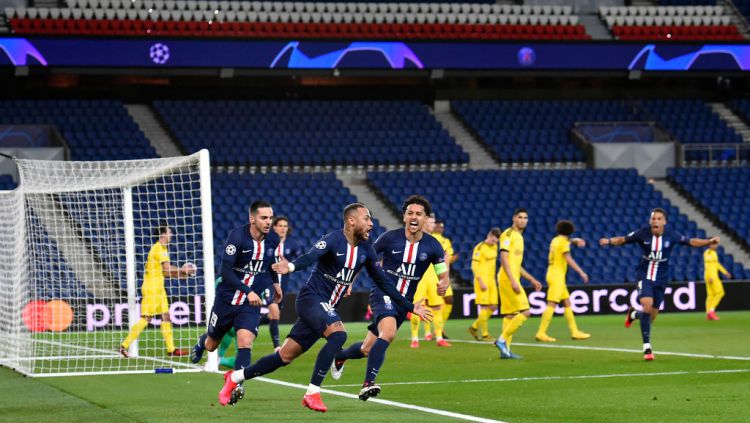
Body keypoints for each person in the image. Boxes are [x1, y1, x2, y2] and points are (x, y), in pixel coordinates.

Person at [218, 203, 431, 412]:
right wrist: (290, 266)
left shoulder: (366, 249)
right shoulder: (333, 239)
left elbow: (384, 283)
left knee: (284, 357)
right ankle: (312, 393)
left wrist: (410, 306)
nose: (371, 224)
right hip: (311, 298)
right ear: (351, 221)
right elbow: (309, 258)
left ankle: (235, 377)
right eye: (366, 219)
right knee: (339, 335)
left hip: (324, 307)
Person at [332, 196, 448, 399]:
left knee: (367, 348)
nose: (414, 217)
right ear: (404, 217)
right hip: (382, 293)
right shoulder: (389, 238)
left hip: (404, 302)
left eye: (418, 214)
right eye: (410, 213)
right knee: (389, 332)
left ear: (425, 218)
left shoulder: (433, 246)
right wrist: (349, 280)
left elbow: (442, 274)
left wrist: (443, 283)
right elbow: (363, 257)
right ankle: (368, 384)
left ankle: (340, 356)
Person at [190, 200, 282, 406]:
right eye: (264, 218)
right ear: (252, 219)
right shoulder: (237, 237)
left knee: (245, 341)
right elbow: (225, 272)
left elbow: (270, 265)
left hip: (250, 304)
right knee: (212, 345)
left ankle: (238, 384)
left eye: (270, 217)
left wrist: (276, 284)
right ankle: (202, 341)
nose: (269, 222)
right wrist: (247, 291)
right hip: (227, 299)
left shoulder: (273, 240)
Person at [599, 207, 719, 360]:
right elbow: (623, 239)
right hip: (645, 274)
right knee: (647, 306)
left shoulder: (672, 235)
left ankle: (633, 314)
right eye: (653, 218)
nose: (655, 221)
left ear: (664, 222)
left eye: (658, 218)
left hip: (662, 277)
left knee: (651, 316)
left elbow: (691, 242)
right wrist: (609, 241)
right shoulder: (642, 233)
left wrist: (708, 241)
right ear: (650, 221)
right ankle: (647, 349)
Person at [119, 223, 195, 358]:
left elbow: (165, 273)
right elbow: (166, 269)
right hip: (152, 288)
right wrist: (182, 270)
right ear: (163, 234)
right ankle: (124, 345)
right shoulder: (159, 249)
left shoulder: (162, 249)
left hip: (159, 288)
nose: (171, 235)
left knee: (166, 316)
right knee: (146, 319)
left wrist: (181, 274)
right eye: (169, 232)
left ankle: (171, 349)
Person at [494, 208, 542, 359]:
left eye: (525, 218)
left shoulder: (519, 237)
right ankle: (501, 341)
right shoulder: (507, 234)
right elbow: (504, 258)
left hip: (512, 276)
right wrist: (513, 280)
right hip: (507, 278)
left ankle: (505, 351)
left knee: (510, 315)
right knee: (525, 311)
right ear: (514, 218)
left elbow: (516, 264)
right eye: (520, 217)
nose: (523, 220)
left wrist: (531, 279)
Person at [536, 220, 591, 342]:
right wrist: (581, 272)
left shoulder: (556, 240)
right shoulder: (564, 243)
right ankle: (541, 332)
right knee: (552, 303)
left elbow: (565, 242)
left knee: (567, 302)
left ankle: (575, 331)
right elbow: (568, 258)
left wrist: (574, 240)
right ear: (570, 231)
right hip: (557, 276)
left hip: (552, 273)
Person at [258, 216, 302, 350]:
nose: (283, 228)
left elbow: (299, 261)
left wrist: (289, 264)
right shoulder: (266, 240)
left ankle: (252, 324)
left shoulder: (292, 243)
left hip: (284, 282)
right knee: (274, 311)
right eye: (280, 225)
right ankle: (277, 347)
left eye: (285, 226)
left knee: (273, 315)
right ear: (274, 227)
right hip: (268, 281)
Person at [409, 214, 449, 348]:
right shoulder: (415, 237)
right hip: (419, 278)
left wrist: (444, 277)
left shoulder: (438, 240)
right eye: (431, 223)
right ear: (425, 222)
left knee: (437, 307)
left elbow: (444, 258)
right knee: (416, 306)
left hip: (433, 277)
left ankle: (439, 338)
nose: (434, 225)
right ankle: (414, 338)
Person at [468, 228, 502, 342]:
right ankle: (485, 334)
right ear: (489, 235)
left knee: (493, 307)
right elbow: (474, 266)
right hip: (481, 279)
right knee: (484, 306)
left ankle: (474, 327)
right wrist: (480, 280)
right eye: (493, 239)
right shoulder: (479, 247)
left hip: (492, 279)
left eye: (496, 241)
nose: (494, 242)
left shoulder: (495, 247)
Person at [431, 218, 458, 339]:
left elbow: (447, 257)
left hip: (443, 274)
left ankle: (440, 328)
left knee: (449, 300)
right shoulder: (430, 237)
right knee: (433, 304)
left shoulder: (446, 241)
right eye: (437, 226)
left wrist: (452, 259)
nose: (439, 228)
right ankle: (432, 332)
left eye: (441, 226)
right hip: (431, 274)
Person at [704, 243, 731, 320]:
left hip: (712, 276)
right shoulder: (708, 252)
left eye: (716, 244)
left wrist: (725, 272)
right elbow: (707, 266)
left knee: (711, 295)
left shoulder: (714, 253)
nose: (715, 246)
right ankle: (711, 311)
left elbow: (717, 264)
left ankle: (708, 313)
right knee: (720, 292)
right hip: (712, 277)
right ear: (710, 245)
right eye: (714, 244)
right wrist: (710, 276)